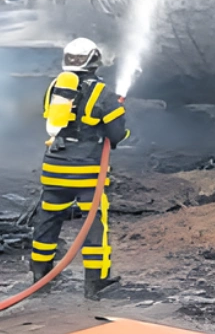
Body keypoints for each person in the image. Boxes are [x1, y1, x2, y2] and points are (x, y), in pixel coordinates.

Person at [29, 37, 130, 300]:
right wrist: (121, 123)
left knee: (47, 220)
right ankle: (95, 283)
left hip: (54, 169)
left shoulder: (54, 87)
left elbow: (51, 121)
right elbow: (117, 134)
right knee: (93, 223)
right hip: (87, 173)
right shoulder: (103, 93)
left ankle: (41, 275)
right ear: (94, 61)